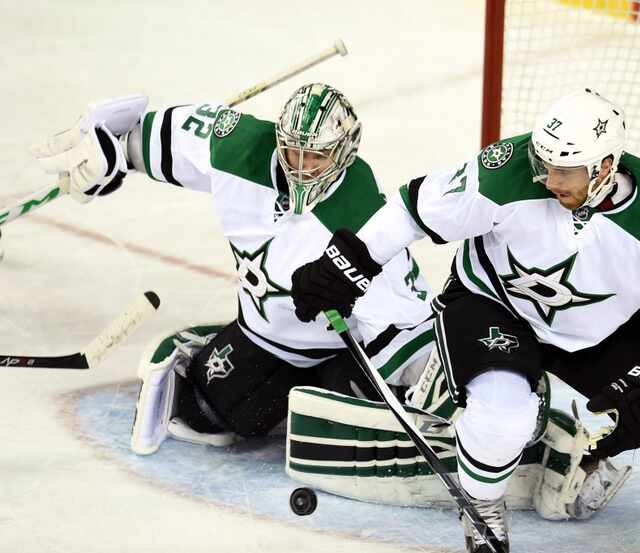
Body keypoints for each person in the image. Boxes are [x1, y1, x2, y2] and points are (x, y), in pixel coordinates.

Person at [290, 89, 640, 553]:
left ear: (606, 168)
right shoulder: (508, 173)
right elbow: (415, 208)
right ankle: (482, 511)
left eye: (565, 170)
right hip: (491, 305)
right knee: (504, 413)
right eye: (545, 164)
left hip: (598, 331)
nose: (549, 179)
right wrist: (349, 263)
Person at [29, 83, 435, 453]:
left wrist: (440, 393)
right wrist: (114, 150)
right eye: (294, 150)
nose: (302, 165)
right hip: (262, 333)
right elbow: (160, 139)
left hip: (338, 344)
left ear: (344, 151)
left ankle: (340, 383)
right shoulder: (239, 147)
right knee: (208, 412)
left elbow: (412, 320)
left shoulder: (363, 219)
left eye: (317, 155)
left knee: (350, 421)